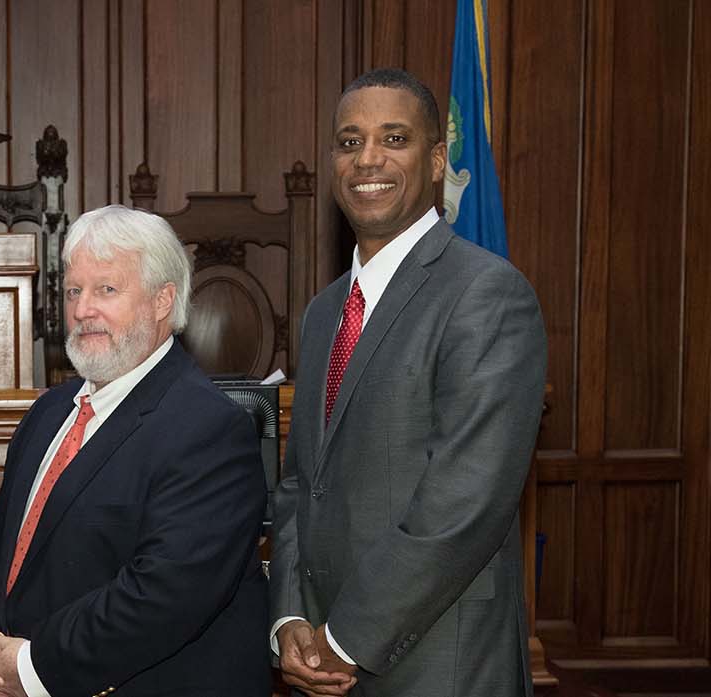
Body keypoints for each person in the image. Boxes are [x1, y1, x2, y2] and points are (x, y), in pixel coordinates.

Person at [268, 67, 547, 697]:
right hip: (323, 660)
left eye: (394, 139)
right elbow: (297, 486)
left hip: (438, 664)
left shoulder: (486, 293)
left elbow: (463, 505)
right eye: (348, 142)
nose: (367, 159)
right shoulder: (323, 313)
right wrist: (289, 618)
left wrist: (344, 639)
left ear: (437, 158)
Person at [0, 205, 269, 697]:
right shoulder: (49, 412)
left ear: (163, 300)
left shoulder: (210, 430)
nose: (82, 310)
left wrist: (34, 665)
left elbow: (163, 597)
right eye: (75, 291)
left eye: (106, 289)